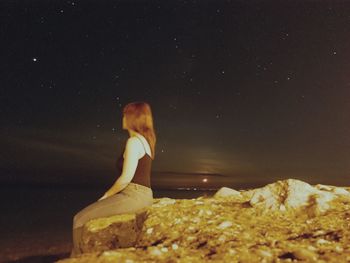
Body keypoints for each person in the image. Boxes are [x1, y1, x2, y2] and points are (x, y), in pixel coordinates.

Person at [71, 101, 156, 256]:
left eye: (125, 114)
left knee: (79, 219)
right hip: (143, 194)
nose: (122, 117)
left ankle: (78, 259)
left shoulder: (133, 142)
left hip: (134, 195)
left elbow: (125, 178)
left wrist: (104, 197)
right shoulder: (146, 142)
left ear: (133, 118)